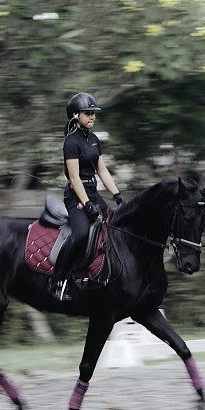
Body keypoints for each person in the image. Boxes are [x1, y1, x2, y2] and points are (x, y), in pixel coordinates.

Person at [47, 92, 124, 301]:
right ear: (74, 115)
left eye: (94, 113)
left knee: (113, 227)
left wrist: (117, 195)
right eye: (87, 113)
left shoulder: (93, 139)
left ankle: (100, 273)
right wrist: (87, 203)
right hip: (75, 196)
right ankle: (58, 280)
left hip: (93, 192)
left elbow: (103, 171)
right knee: (80, 234)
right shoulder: (71, 142)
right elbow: (74, 177)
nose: (92, 117)